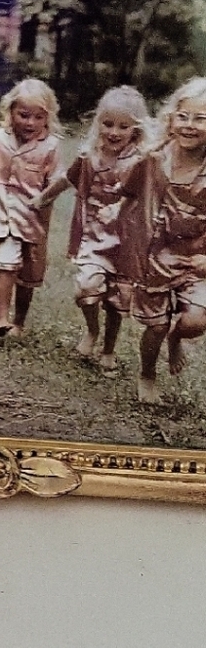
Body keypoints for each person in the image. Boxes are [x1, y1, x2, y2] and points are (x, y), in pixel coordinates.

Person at [31, 85, 149, 372]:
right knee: (86, 288)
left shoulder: (141, 163)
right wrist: (43, 198)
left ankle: (108, 349)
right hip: (94, 235)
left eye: (123, 126)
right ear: (99, 123)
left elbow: (153, 196)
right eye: (108, 124)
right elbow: (66, 179)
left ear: (136, 129)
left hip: (125, 241)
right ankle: (92, 330)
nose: (114, 132)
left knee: (116, 300)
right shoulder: (88, 157)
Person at [118, 76, 206, 404]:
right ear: (172, 119)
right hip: (155, 256)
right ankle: (147, 373)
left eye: (201, 118)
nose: (190, 125)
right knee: (154, 326)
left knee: (196, 321)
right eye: (183, 116)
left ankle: (178, 336)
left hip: (196, 258)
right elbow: (128, 195)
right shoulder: (154, 159)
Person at [0, 78, 62, 338]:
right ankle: (1, 319)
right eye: (23, 115)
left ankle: (19, 321)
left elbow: (55, 183)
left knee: (29, 274)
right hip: (5, 211)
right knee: (7, 264)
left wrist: (44, 202)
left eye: (38, 117)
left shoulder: (50, 147)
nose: (30, 123)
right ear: (10, 111)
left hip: (35, 217)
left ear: (47, 118)